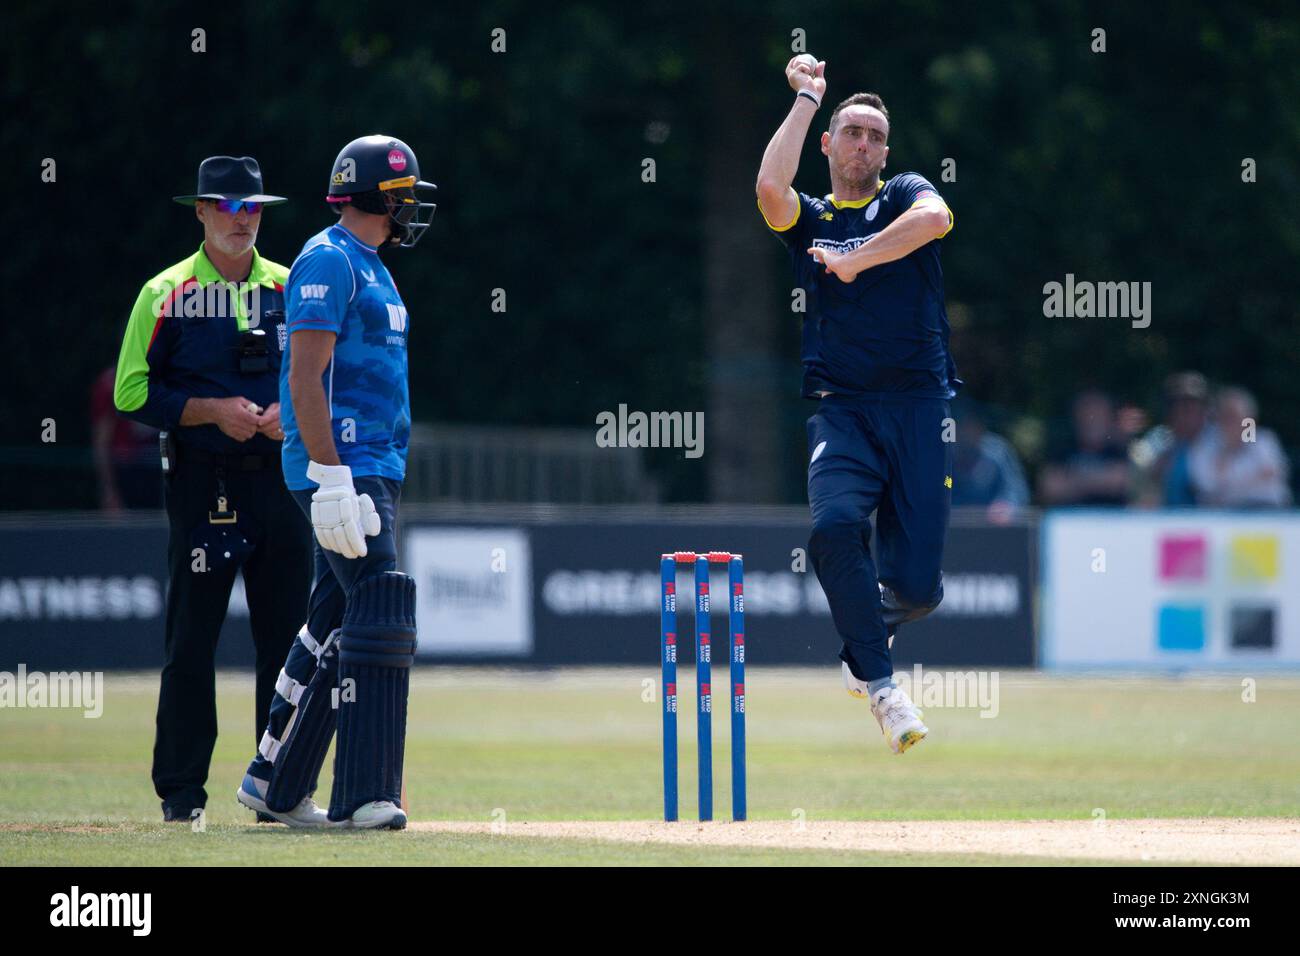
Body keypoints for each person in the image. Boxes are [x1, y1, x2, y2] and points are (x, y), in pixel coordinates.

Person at [756, 58, 957, 754]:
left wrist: (856, 259)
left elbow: (936, 219)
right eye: (852, 133)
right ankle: (881, 686)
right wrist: (808, 97)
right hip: (842, 411)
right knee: (836, 528)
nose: (864, 145)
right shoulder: (807, 218)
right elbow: (768, 188)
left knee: (920, 588)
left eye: (875, 135)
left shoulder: (903, 195)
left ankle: (859, 647)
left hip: (919, 407)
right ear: (829, 144)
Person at [235, 135, 436, 830]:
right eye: (404, 193)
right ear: (378, 196)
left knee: (334, 620)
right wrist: (329, 477)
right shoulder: (328, 260)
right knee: (380, 608)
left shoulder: (372, 264)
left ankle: (274, 782)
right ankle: (365, 794)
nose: (411, 205)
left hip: (375, 466)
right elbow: (303, 377)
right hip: (342, 469)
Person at [113, 156, 312, 822]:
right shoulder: (163, 291)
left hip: (282, 485)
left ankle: (281, 792)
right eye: (225, 207)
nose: (240, 219)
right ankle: (180, 796)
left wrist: (295, 413)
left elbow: (330, 375)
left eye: (251, 207)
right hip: (203, 486)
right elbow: (131, 391)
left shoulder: (292, 287)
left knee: (286, 645)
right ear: (199, 211)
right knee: (192, 643)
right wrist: (211, 411)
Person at [1187, 386, 1292, 507]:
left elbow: (1275, 477)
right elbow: (1205, 485)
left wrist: (1229, 485)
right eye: (1227, 416)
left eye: (1237, 417)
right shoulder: (1205, 446)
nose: (1233, 423)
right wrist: (1227, 452)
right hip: (1222, 515)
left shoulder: (1264, 441)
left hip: (1269, 511)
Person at [1038, 390, 1132, 506]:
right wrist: (1103, 480)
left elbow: (1125, 482)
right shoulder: (1062, 450)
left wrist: (1072, 481)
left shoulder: (1119, 450)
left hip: (1113, 521)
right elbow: (1050, 488)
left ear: (1109, 419)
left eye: (1098, 415)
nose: (1091, 420)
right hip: (1069, 520)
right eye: (1086, 414)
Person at [1130, 372, 1209, 507]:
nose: (1187, 411)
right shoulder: (1155, 441)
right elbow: (1136, 483)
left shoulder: (1218, 440)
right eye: (1180, 404)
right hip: (1164, 519)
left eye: (1193, 404)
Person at [91, 365, 162, 511]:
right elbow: (101, 442)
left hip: (158, 473)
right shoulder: (110, 383)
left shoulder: (165, 381)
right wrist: (108, 489)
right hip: (125, 472)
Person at [950, 399, 1029, 523]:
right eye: (962, 427)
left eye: (972, 426)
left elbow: (1015, 489)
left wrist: (1006, 505)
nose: (966, 433)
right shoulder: (947, 457)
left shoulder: (998, 452)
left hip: (993, 529)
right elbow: (944, 486)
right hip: (954, 529)